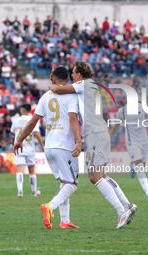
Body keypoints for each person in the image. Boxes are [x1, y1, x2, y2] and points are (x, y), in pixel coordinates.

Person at [49, 61, 137, 229]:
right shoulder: (94, 87)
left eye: (74, 73)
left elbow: (59, 89)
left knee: (94, 177)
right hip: (100, 132)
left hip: (95, 135)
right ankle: (127, 205)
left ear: (80, 75)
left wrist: (52, 82)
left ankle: (121, 211)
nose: (72, 76)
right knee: (103, 176)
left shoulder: (84, 84)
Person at [13, 67, 81, 229]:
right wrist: (78, 141)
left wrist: (19, 140)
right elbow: (73, 119)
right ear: (67, 79)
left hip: (49, 146)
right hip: (64, 146)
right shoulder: (72, 95)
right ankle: (49, 206)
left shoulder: (45, 97)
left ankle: (65, 220)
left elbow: (32, 122)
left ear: (53, 78)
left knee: (65, 183)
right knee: (72, 184)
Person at [110, 101, 148, 201]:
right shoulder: (122, 111)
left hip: (144, 141)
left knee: (141, 167)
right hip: (131, 142)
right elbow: (117, 125)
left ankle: (133, 166)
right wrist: (109, 137)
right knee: (140, 167)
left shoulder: (143, 108)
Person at [11, 103, 44, 198]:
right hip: (30, 148)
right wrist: (42, 145)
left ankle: (20, 191)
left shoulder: (16, 120)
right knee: (31, 171)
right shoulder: (33, 120)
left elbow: (12, 132)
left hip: (19, 148)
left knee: (20, 171)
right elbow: (37, 134)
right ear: (30, 110)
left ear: (22, 110)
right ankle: (34, 191)